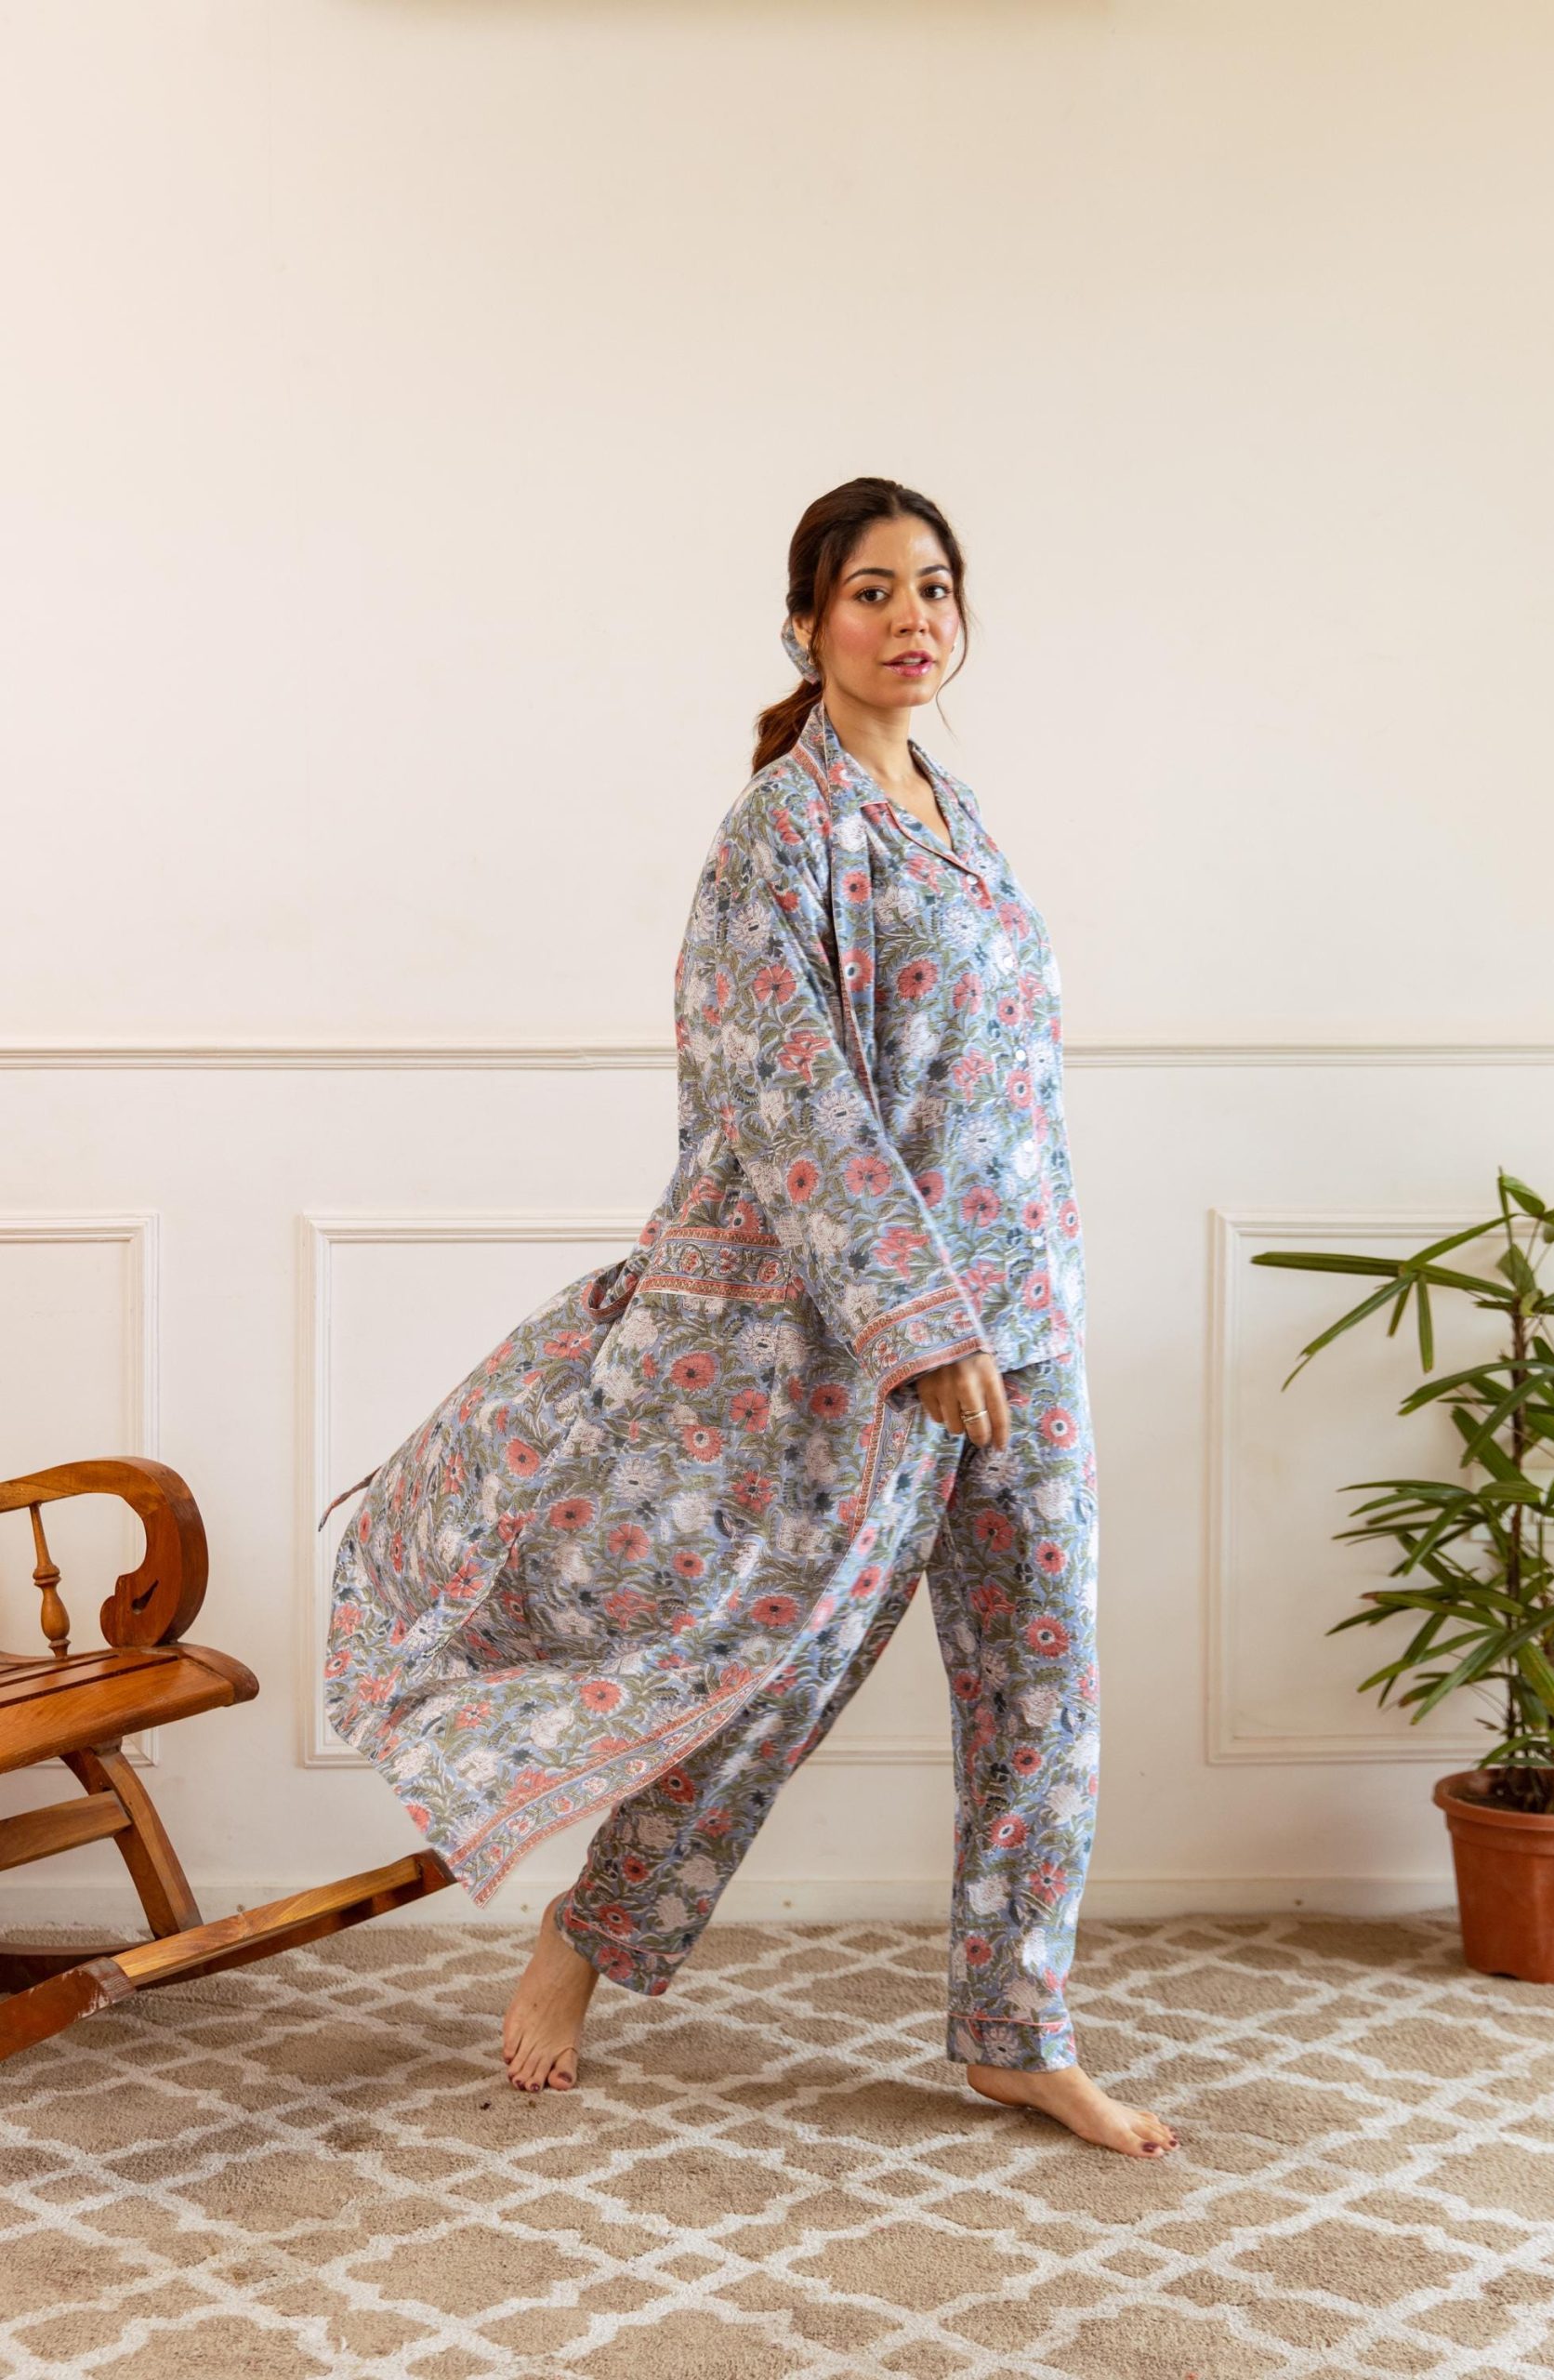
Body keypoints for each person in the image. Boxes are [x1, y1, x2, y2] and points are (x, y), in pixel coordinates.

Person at [320, 476, 1178, 2159]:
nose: (912, 617)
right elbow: (789, 1097)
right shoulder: (779, 835)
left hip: (1029, 1318)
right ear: (805, 623)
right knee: (782, 1672)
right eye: (872, 591)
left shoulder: (956, 815)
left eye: (935, 587)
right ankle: (588, 1935)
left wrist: (1015, 1306)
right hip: (872, 1340)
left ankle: (1019, 2029)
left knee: (1049, 1683)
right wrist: (917, 1322)